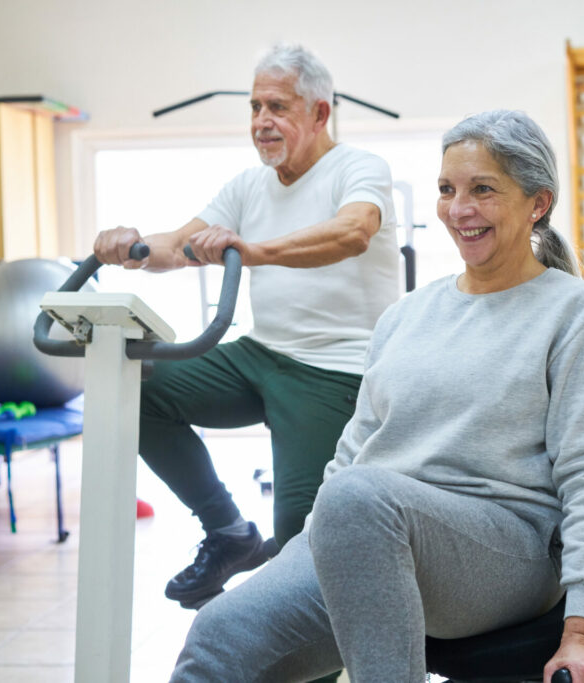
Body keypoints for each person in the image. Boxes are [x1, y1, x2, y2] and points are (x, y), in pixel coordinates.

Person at [170, 109, 584, 683]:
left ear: (538, 202)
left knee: (361, 499)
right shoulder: (405, 315)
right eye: (446, 190)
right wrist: (294, 566)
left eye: (482, 190)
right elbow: (352, 454)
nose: (458, 210)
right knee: (218, 635)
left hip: (504, 554)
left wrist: (583, 631)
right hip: (366, 534)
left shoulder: (576, 312)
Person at [92, 44, 400, 610]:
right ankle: (228, 531)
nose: (262, 121)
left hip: (335, 369)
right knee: (134, 389)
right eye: (255, 107)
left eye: (277, 107)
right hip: (259, 354)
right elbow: (181, 244)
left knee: (302, 540)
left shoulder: (358, 169)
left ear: (319, 114)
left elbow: (352, 232)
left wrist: (251, 251)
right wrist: (131, 246)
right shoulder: (248, 186)